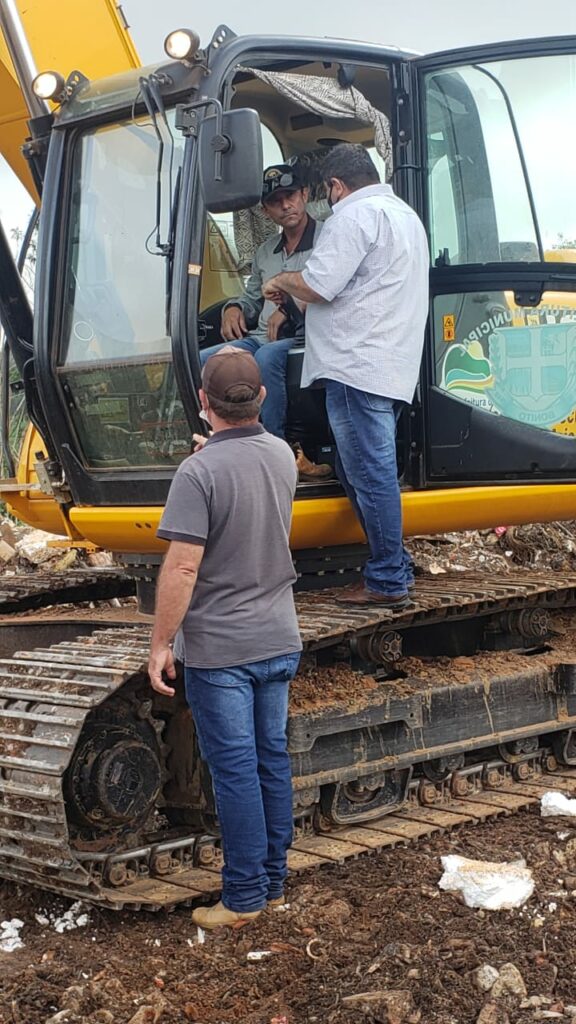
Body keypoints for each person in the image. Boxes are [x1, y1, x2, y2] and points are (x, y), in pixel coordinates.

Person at [148, 348, 302, 930]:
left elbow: (184, 568)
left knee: (234, 771)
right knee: (270, 762)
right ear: (261, 397)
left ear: (204, 403)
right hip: (277, 637)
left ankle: (243, 898)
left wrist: (161, 643)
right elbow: (248, 479)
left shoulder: (198, 472)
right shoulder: (282, 454)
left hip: (222, 650)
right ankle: (274, 883)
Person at [263, 143, 429, 607]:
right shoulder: (404, 217)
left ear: (336, 186)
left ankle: (387, 579)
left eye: (325, 193)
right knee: (355, 468)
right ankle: (393, 565)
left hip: (356, 367)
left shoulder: (351, 218)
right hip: (388, 365)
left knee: (369, 473)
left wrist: (281, 281)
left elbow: (318, 284)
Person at [200, 162, 331, 480]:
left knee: (266, 357)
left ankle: (276, 450)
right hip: (259, 336)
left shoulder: (329, 238)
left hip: (306, 336)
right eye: (276, 201)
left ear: (304, 194)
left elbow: (329, 289)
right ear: (266, 210)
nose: (286, 205)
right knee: (205, 359)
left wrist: (287, 310)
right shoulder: (265, 253)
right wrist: (234, 308)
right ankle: (218, 446)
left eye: (291, 196)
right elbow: (251, 299)